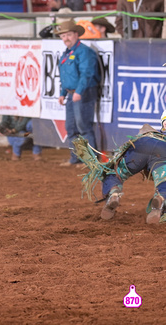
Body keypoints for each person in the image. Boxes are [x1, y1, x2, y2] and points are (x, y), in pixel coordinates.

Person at [75, 115, 166, 224]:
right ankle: (161, 198)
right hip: (163, 150)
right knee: (163, 182)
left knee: (113, 172)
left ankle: (113, 193)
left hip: (142, 143)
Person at [55, 20, 100, 166]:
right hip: (72, 93)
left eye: (68, 35)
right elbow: (67, 76)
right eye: (63, 36)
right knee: (71, 127)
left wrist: (79, 91)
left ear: (76, 34)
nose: (66, 38)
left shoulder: (85, 52)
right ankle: (76, 158)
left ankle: (91, 161)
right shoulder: (68, 53)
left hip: (84, 92)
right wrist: (63, 92)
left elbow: (87, 74)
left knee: (83, 126)